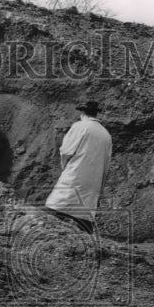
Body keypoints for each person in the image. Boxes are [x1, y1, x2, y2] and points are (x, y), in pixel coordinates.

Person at [44, 100, 112, 234]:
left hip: (75, 175)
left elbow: (66, 151)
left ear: (82, 112)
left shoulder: (80, 126)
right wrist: (101, 188)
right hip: (94, 181)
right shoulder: (106, 135)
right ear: (96, 114)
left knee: (56, 207)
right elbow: (107, 164)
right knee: (84, 214)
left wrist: (65, 167)